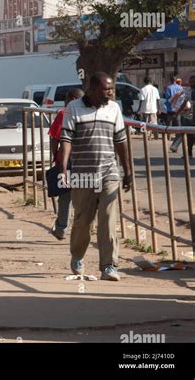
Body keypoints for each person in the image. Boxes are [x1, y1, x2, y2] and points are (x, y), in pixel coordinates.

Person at [60, 72, 132, 282]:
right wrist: (64, 169)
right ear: (92, 89)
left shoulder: (114, 108)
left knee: (108, 218)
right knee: (84, 220)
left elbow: (121, 141)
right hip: (83, 174)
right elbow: (66, 139)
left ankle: (109, 265)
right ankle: (77, 256)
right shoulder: (74, 108)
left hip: (109, 172)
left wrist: (127, 171)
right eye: (106, 89)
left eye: (112, 89)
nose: (110, 93)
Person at [48, 87, 84, 240]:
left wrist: (54, 156)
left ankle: (62, 228)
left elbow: (54, 138)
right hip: (85, 161)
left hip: (66, 161)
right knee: (83, 196)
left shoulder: (64, 114)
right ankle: (83, 229)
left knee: (65, 196)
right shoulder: (88, 113)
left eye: (66, 100)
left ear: (72, 99)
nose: (64, 103)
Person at [137, 76, 160, 140]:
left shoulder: (143, 89)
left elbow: (141, 100)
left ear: (144, 82)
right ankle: (156, 136)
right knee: (154, 123)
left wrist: (139, 109)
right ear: (151, 81)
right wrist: (159, 108)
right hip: (153, 109)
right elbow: (157, 99)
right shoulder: (155, 89)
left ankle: (145, 136)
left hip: (145, 109)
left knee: (144, 124)